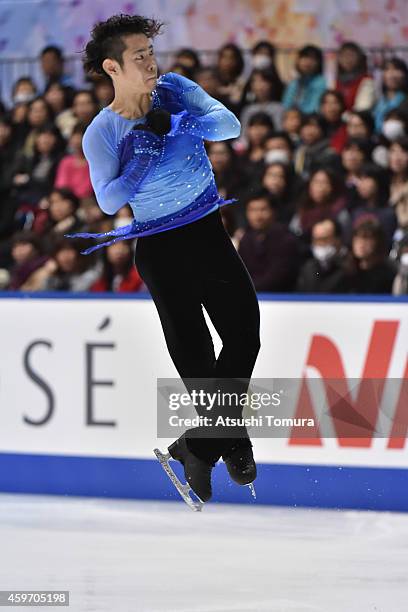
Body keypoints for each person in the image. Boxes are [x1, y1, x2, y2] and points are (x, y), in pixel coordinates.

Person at [65, 14, 261, 504]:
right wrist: (145, 157)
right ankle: (227, 440)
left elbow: (229, 124)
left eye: (151, 54)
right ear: (113, 67)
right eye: (140, 58)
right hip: (161, 249)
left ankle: (201, 443)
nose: (152, 64)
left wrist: (179, 120)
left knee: (244, 333)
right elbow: (109, 201)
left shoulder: (174, 89)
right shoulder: (101, 132)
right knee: (193, 353)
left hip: (208, 233)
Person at [238, 189, 299, 292]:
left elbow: (276, 278)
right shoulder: (246, 239)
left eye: (263, 209)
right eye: (252, 210)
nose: (258, 216)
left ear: (273, 211)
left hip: (280, 299)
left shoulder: (286, 239)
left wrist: (245, 289)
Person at [296, 218, 348, 293]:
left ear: (338, 239)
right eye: (316, 240)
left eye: (324, 239)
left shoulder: (351, 264)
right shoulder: (308, 267)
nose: (319, 244)